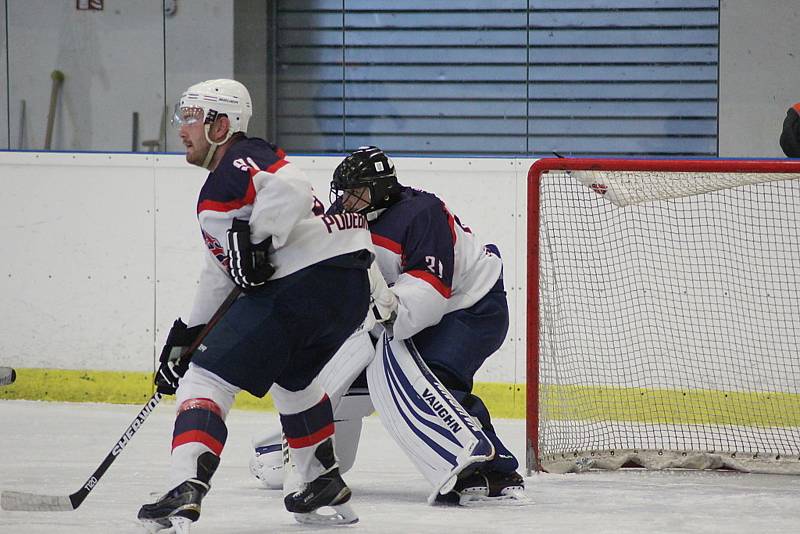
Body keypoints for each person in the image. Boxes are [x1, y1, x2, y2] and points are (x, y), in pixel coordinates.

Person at [137, 79, 374, 532]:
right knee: (295, 380)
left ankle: (184, 486)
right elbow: (220, 275)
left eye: (192, 119)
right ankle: (320, 480)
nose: (182, 130)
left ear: (222, 125)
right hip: (343, 288)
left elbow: (293, 187)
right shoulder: (231, 180)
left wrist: (259, 237)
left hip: (302, 283)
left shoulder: (236, 164)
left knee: (206, 379)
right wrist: (185, 336)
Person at [250, 146, 524, 505]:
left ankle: (496, 471)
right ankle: (320, 462)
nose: (347, 201)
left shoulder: (421, 214)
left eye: (357, 192)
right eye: (343, 192)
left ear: (382, 189)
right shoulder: (345, 214)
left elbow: (430, 294)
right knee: (340, 378)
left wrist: (389, 308)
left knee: (431, 375)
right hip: (403, 314)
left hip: (471, 306)